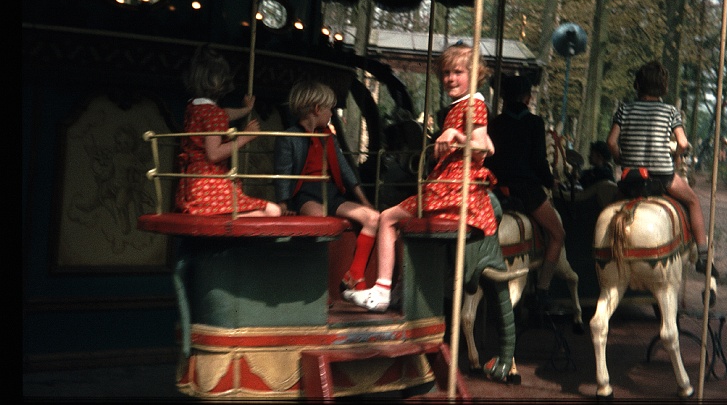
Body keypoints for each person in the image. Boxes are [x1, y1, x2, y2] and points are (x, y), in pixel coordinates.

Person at [345, 43, 498, 313]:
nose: (450, 78)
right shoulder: (464, 105)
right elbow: (489, 145)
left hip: (454, 189)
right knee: (398, 220)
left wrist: (455, 135)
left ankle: (381, 290)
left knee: (387, 218)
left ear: (474, 74)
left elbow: (482, 150)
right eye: (446, 73)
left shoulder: (473, 105)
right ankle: (399, 289)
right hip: (449, 184)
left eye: (458, 72)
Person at [606, 60, 718, 301]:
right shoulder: (670, 112)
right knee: (693, 201)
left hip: (631, 178)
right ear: (663, 88)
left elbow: (611, 142)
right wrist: (675, 157)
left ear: (638, 85)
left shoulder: (624, 109)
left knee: (608, 210)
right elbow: (683, 143)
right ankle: (702, 255)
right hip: (661, 177)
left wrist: (620, 158)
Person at [274, 80, 380, 293]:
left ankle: (355, 273)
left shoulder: (328, 137)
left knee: (373, 218)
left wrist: (365, 201)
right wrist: (284, 202)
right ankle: (314, 284)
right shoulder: (290, 138)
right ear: (317, 109)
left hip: (330, 192)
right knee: (320, 221)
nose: (331, 113)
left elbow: (345, 171)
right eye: (330, 109)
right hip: (306, 193)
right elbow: (283, 173)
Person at [484, 74, 566, 309]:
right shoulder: (534, 123)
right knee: (558, 234)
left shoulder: (495, 124)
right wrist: (550, 181)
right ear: (527, 98)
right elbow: (539, 161)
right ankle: (542, 290)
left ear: (505, 98)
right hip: (526, 191)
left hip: (497, 189)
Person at [175, 45, 282, 217]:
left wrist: (246, 110)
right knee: (273, 211)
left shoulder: (194, 108)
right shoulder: (212, 114)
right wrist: (245, 137)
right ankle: (223, 220)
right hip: (210, 185)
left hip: (192, 184)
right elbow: (214, 154)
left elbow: (224, 114)